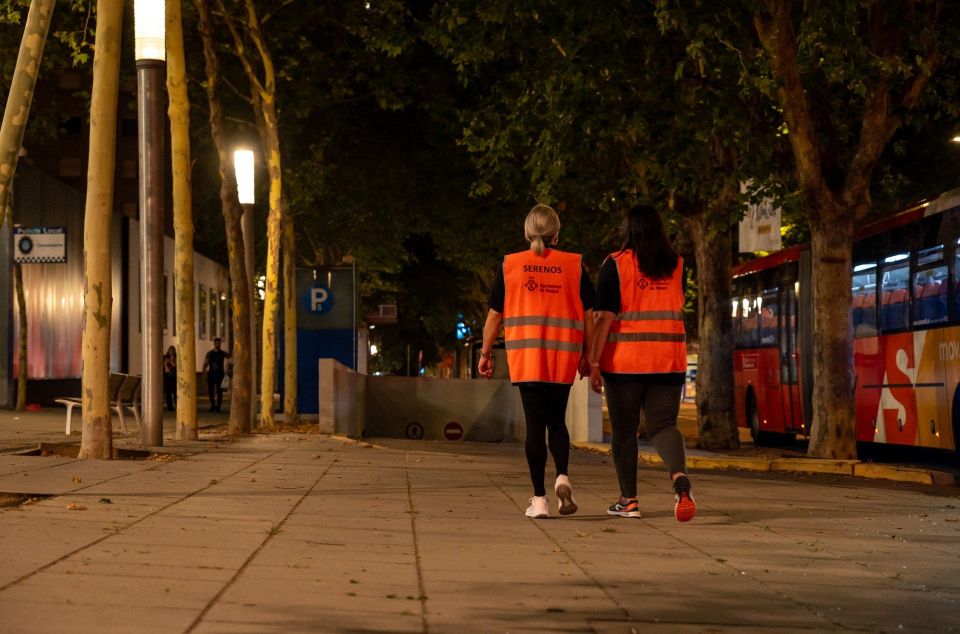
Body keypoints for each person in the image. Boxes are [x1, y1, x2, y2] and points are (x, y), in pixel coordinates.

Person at [478, 204, 595, 519]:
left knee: (534, 426)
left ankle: (539, 499)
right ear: (556, 233)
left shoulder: (511, 265)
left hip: (527, 357)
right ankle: (563, 476)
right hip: (563, 356)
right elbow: (589, 316)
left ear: (527, 232)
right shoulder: (574, 265)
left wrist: (486, 353)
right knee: (557, 420)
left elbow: (494, 316)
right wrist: (589, 356)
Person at [587, 204, 696, 522]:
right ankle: (679, 479)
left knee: (624, 431)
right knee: (664, 425)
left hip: (626, 365)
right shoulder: (677, 264)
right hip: (668, 361)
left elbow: (605, 318)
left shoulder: (616, 265)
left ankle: (629, 500)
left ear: (628, 230)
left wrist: (594, 362)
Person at [202, 337, 231, 412]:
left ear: (220, 344)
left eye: (219, 343)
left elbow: (230, 358)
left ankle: (218, 407)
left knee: (219, 391)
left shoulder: (222, 353)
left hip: (220, 374)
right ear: (214, 344)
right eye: (216, 343)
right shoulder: (210, 353)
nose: (217, 344)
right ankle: (213, 406)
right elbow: (205, 363)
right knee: (210, 391)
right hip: (211, 374)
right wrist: (203, 372)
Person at [163, 346, 178, 411]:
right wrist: (166, 364)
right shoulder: (165, 358)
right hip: (167, 377)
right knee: (168, 392)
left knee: (175, 392)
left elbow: (177, 366)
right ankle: (170, 407)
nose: (171, 352)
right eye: (170, 350)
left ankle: (177, 406)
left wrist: (171, 362)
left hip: (175, 377)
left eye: (172, 350)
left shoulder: (177, 357)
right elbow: (166, 369)